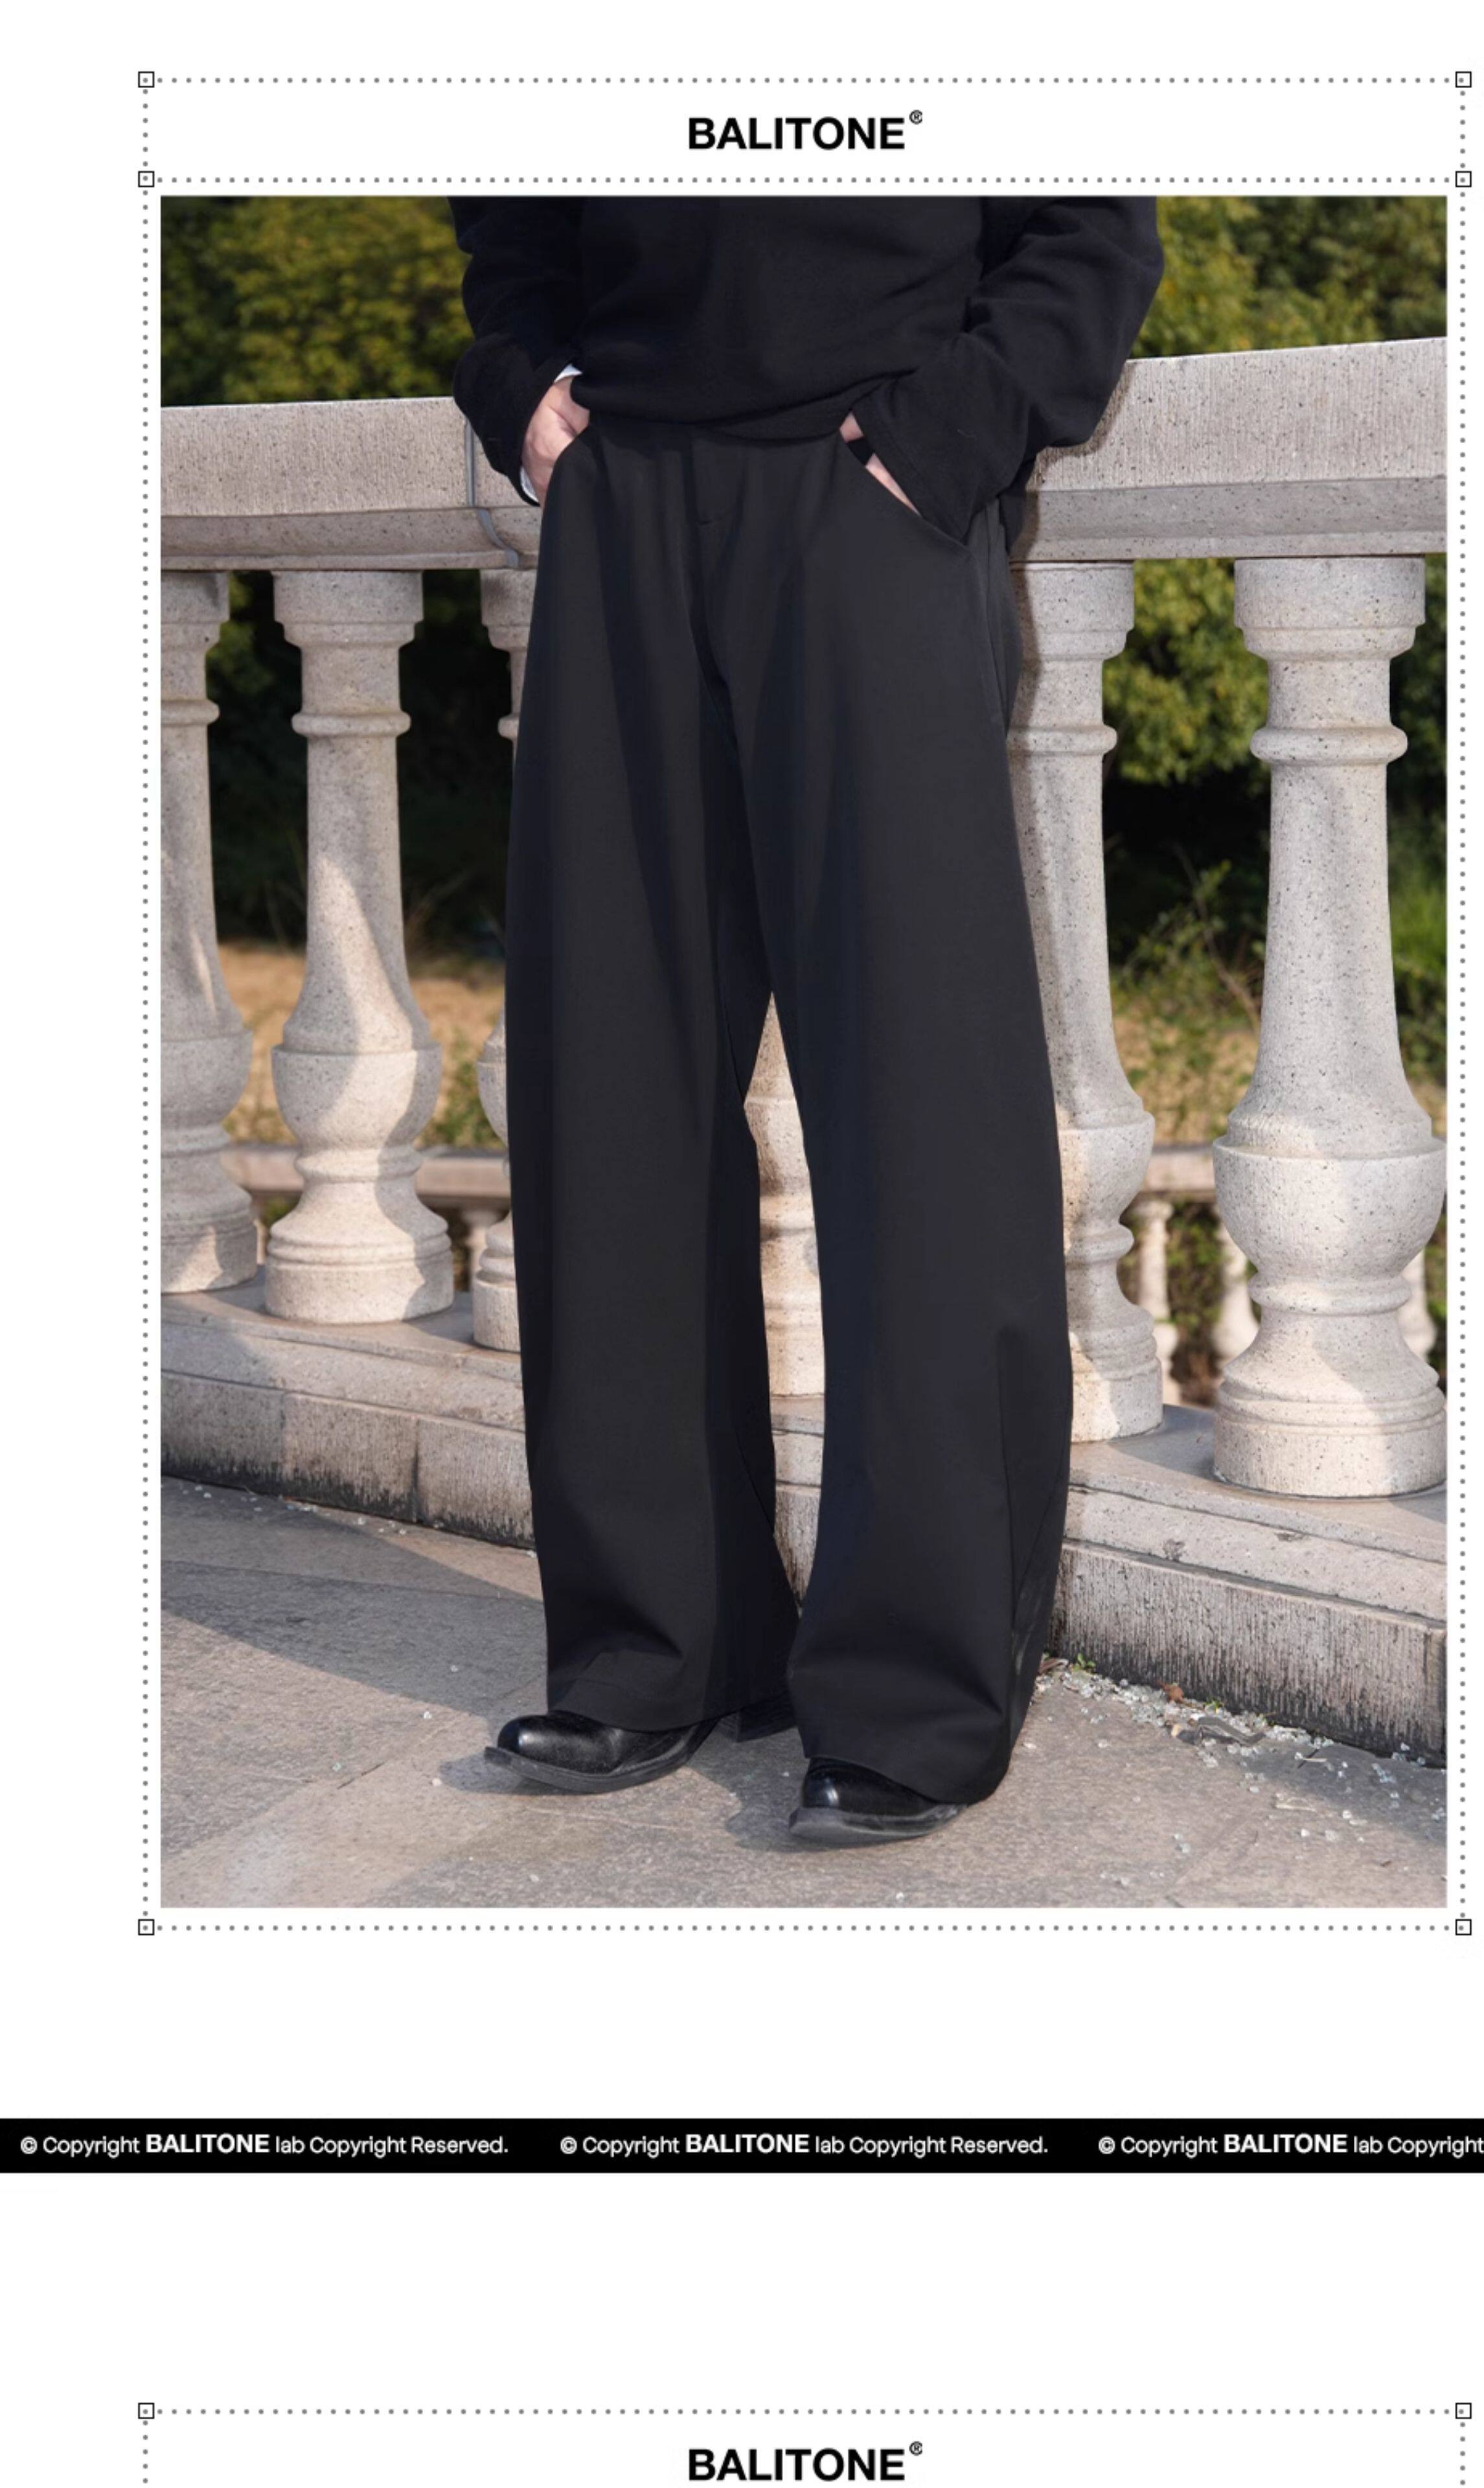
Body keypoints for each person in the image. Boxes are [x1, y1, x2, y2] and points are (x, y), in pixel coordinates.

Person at [450, 198, 1163, 1847]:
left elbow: (1089, 228)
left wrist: (961, 426)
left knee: (920, 1111)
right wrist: (518, 380)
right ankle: (659, 1646)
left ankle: (917, 1692)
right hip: (625, 493)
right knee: (609, 1091)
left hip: (871, 493)